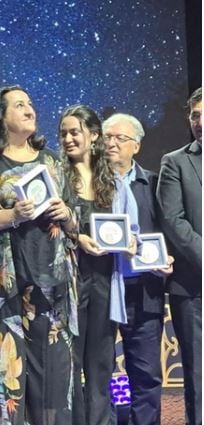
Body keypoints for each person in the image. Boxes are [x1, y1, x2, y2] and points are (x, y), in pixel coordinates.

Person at [0, 85, 78, 425]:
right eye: (19, 105)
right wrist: (13, 216)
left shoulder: (52, 161)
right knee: (2, 385)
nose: (29, 109)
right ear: (1, 117)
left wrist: (65, 212)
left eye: (30, 104)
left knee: (52, 383)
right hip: (1, 291)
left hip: (50, 290)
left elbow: (74, 219)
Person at [102, 113, 174, 425]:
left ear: (137, 146)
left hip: (145, 292)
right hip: (103, 290)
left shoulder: (155, 184)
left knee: (145, 375)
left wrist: (167, 260)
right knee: (99, 373)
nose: (112, 143)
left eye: (120, 138)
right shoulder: (89, 185)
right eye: (107, 137)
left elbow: (170, 231)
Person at [58, 105, 118, 425]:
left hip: (105, 281)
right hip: (70, 280)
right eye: (64, 133)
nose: (68, 139)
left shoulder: (110, 178)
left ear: (93, 136)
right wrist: (77, 238)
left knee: (101, 363)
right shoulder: (57, 175)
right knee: (71, 363)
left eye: (74, 132)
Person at [157, 87, 202, 425]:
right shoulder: (175, 162)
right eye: (194, 115)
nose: (199, 121)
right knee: (199, 375)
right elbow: (174, 221)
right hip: (193, 288)